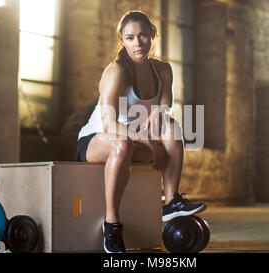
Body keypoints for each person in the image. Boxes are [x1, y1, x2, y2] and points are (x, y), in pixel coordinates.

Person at [76, 10, 206, 253]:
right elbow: (109, 125)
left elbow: (165, 104)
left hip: (136, 141)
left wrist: (160, 113)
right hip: (97, 141)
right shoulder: (116, 72)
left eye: (143, 36)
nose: (137, 43)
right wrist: (147, 139)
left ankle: (171, 203)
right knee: (122, 144)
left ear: (153, 35)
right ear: (122, 41)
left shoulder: (164, 70)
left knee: (172, 127)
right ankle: (111, 224)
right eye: (130, 38)